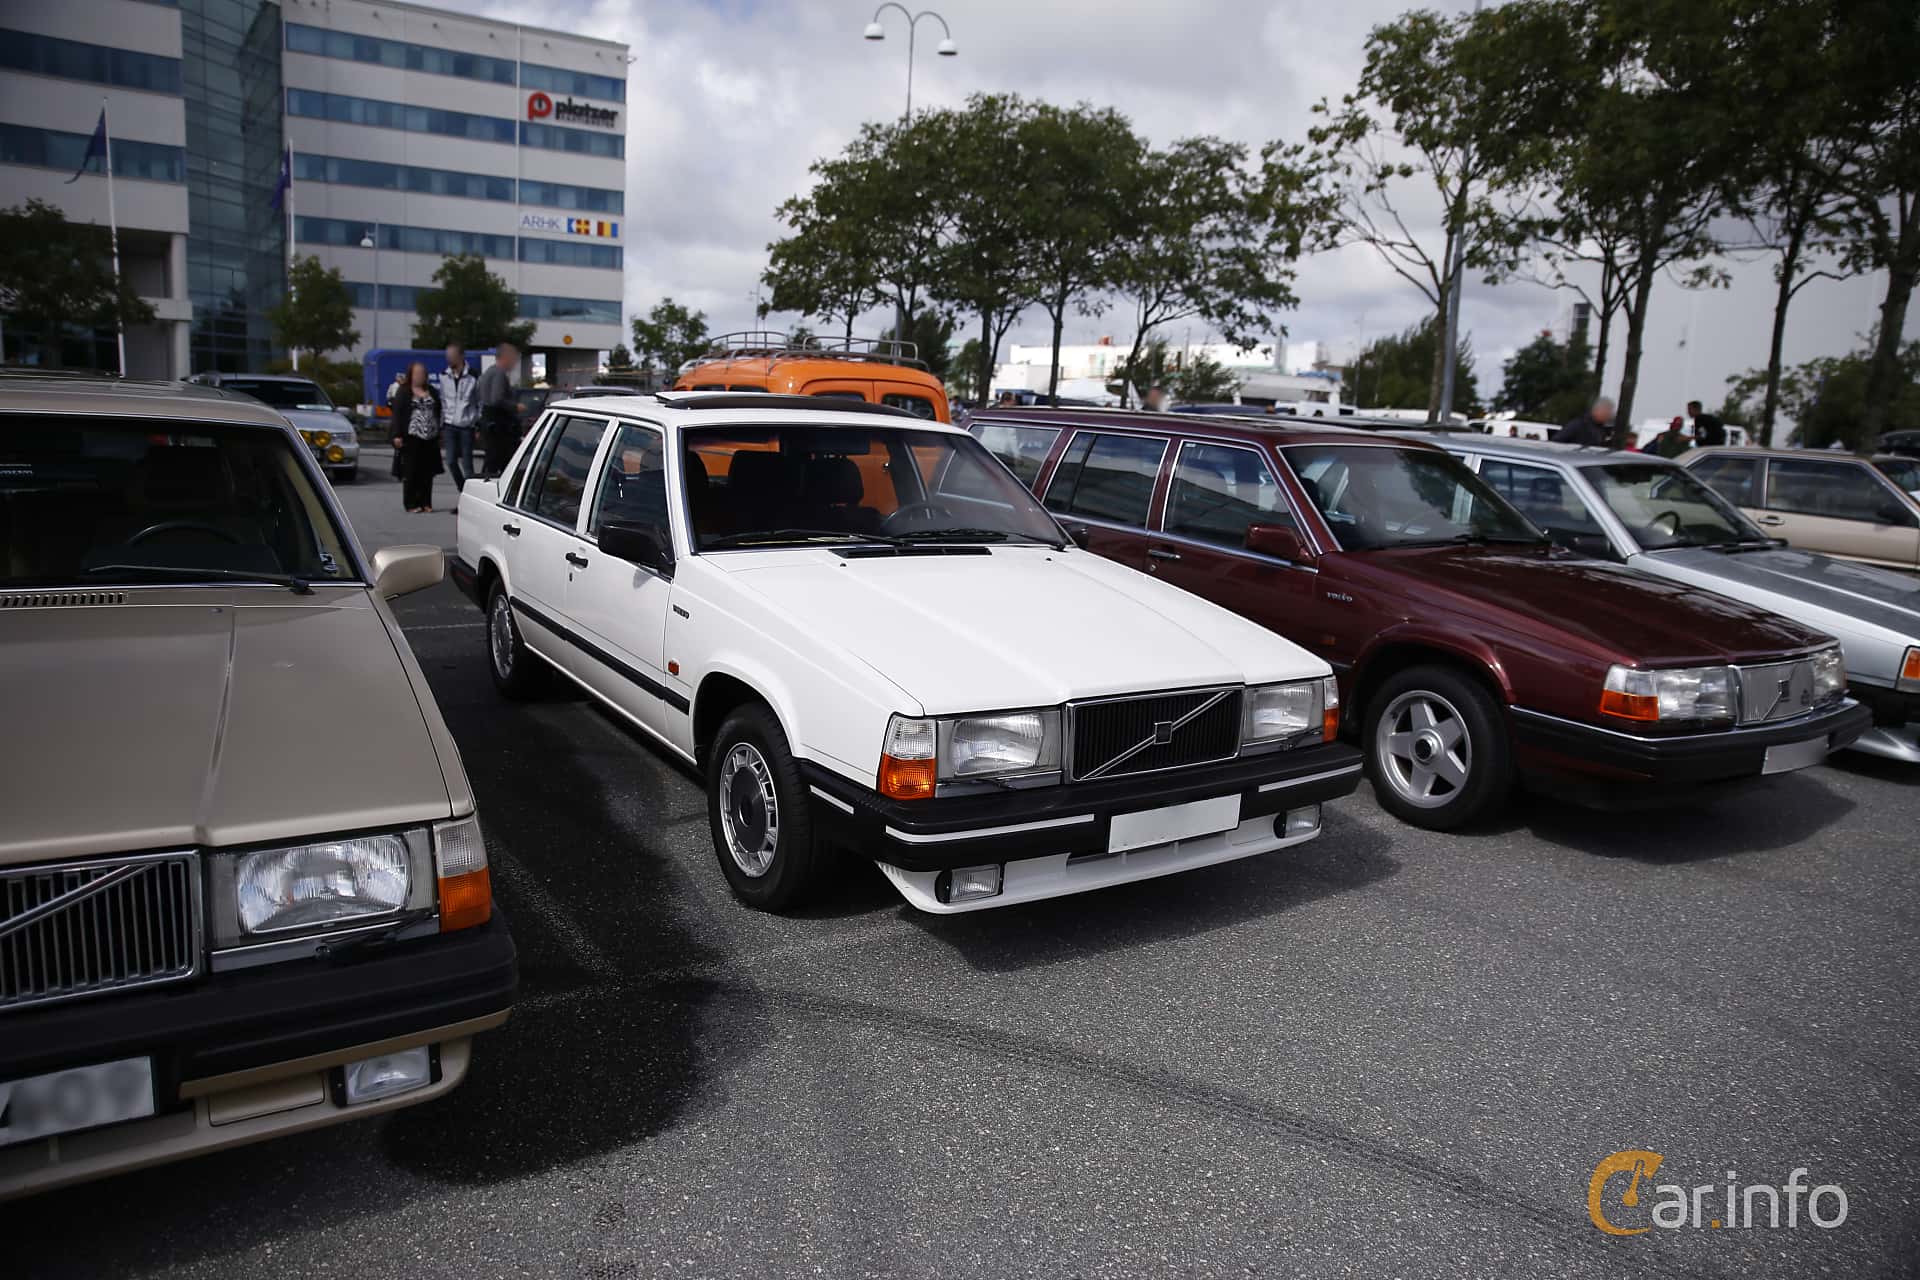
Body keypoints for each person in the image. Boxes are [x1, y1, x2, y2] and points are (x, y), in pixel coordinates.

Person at [389, 361, 443, 513]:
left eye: (422, 373)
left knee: (428, 472)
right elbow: (397, 415)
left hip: (430, 437)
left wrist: (439, 432)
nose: (420, 376)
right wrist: (397, 435)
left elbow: (438, 411)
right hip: (411, 437)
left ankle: (426, 502)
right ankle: (411, 503)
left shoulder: (431, 391)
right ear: (411, 375)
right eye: (416, 373)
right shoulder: (404, 391)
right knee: (411, 472)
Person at [439, 341, 479, 490]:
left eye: (452, 356)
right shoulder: (444, 376)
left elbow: (478, 401)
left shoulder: (473, 376)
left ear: (461, 356)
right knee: (450, 461)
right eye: (447, 356)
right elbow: (443, 399)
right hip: (449, 424)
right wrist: (442, 422)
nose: (449, 359)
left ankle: (470, 493)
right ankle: (462, 489)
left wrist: (475, 421)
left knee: (467, 464)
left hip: (466, 425)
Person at [477, 342, 520, 478]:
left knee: (492, 461)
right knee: (501, 461)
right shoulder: (499, 374)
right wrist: (515, 406)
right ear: (506, 357)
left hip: (489, 424)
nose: (514, 363)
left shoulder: (489, 372)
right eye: (514, 359)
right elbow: (497, 399)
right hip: (499, 427)